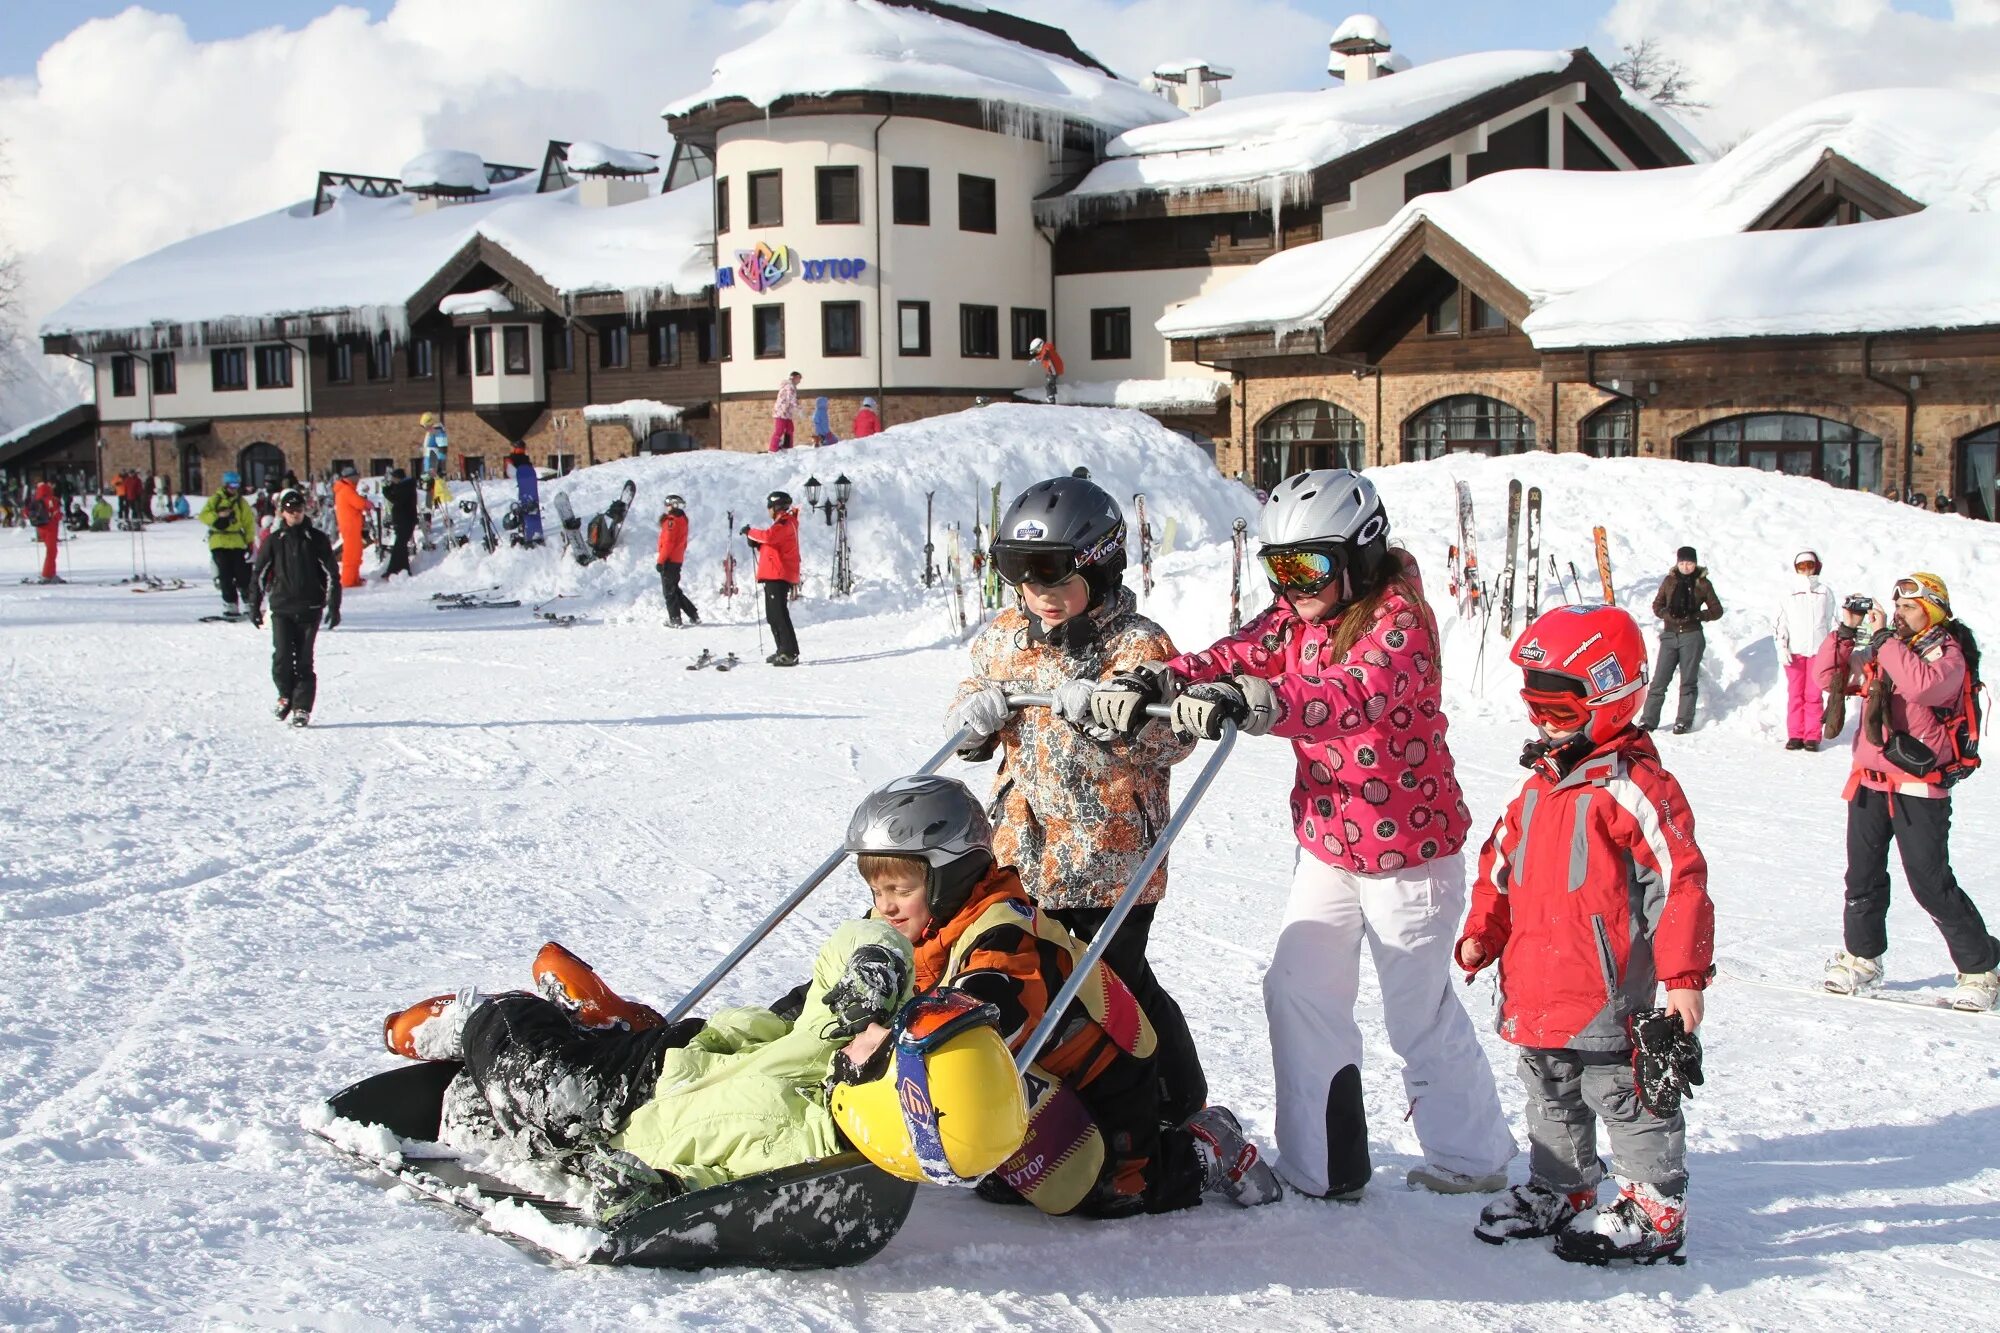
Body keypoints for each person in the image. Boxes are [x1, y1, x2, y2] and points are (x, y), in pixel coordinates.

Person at [1090, 469, 1515, 1202]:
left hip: (1409, 854)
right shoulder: (1299, 613)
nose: (1292, 584)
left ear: (1361, 552)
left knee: (1415, 1010)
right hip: (1329, 839)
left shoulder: (1399, 618)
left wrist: (1265, 701)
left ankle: (1473, 1155)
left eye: (1308, 565)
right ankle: (1323, 1164)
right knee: (1296, 988)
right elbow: (1236, 654)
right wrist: (1160, 680)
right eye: (1279, 567)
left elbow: (1353, 692)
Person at [838, 775, 1280, 1216]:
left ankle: (1212, 1146)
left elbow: (994, 1006)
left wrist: (900, 1029)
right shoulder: (916, 924)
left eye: (900, 890)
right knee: (1022, 1179)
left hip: (1107, 1073)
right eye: (878, 892)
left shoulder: (1002, 936)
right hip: (1039, 1074)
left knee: (1120, 1192)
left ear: (949, 878)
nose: (886, 906)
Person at [1458, 604, 1714, 1265]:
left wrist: (1683, 977)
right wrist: (1484, 932)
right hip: (1538, 984)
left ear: (1609, 696)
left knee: (1623, 1092)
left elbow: (1679, 878)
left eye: (1562, 711)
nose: (1544, 722)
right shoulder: (1536, 789)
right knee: (1548, 1086)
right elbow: (1498, 865)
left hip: (1607, 990)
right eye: (1535, 706)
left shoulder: (1633, 787)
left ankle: (1656, 1204)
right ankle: (1562, 1186)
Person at [947, 476, 1206, 1125]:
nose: (1042, 596)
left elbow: (1172, 735)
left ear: (1100, 566)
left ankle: (1169, 1098)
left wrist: (1112, 713)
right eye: (1025, 579)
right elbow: (969, 697)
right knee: (1038, 982)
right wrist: (973, 719)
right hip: (1021, 853)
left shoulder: (1136, 643)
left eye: (1057, 578)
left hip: (1109, 861)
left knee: (1114, 987)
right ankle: (1047, 1102)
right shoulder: (1008, 634)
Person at [1813, 573, 1999, 1011]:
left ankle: (1981, 966)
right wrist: (1844, 632)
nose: (1899, 614)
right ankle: (1862, 956)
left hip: (1920, 784)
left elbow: (1922, 686)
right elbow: (1828, 678)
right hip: (1870, 780)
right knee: (1862, 878)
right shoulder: (1887, 647)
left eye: (1909, 607)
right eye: (1897, 607)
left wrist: (1882, 640)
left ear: (1932, 610)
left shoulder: (1948, 654)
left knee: (1930, 882)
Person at [248, 488, 341, 727]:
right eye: (290, 511)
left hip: (310, 607)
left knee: (304, 659)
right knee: (280, 656)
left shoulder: (316, 539)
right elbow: (259, 574)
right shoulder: (275, 540)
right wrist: (254, 605)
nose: (295, 514)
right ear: (282, 513)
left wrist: (334, 605)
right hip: (282, 607)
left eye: (299, 510)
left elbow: (332, 574)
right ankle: (285, 695)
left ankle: (302, 707)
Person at [1637, 546, 1723, 735]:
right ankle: (1648, 720)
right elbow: (1657, 605)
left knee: (1688, 681)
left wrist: (1697, 615)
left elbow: (1717, 610)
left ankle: (1683, 721)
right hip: (1669, 635)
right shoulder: (1670, 581)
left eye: (1689, 563)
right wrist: (1668, 614)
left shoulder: (1703, 583)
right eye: (1682, 563)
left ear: (1695, 563)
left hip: (1691, 636)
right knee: (1659, 680)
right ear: (1677, 563)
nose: (1686, 567)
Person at [1774, 550, 1835, 751]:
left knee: (1814, 695)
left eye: (1809, 566)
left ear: (1816, 566)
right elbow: (1780, 622)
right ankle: (1795, 734)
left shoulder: (1825, 592)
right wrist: (1782, 646)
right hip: (1795, 651)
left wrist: (1831, 649)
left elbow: (1830, 621)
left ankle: (1812, 736)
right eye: (1801, 567)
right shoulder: (1788, 592)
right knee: (1795, 694)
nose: (1806, 570)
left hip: (1818, 651)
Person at [744, 490, 801, 665]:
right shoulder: (782, 523)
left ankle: (789, 653)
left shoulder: (785, 522)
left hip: (778, 574)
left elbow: (769, 537)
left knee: (779, 615)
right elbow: (773, 546)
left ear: (775, 507)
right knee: (773, 616)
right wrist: (757, 545)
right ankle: (782, 650)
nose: (767, 510)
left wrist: (750, 532)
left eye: (769, 507)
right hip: (773, 573)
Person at [197, 471, 257, 615]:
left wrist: (249, 541)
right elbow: (203, 516)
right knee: (225, 575)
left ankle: (248, 601)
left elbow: (249, 523)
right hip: (219, 542)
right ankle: (230, 603)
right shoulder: (215, 500)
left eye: (236, 485)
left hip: (237, 542)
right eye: (231, 485)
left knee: (243, 574)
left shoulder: (241, 503)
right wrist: (218, 516)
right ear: (225, 485)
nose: (234, 489)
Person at [656, 495, 701, 628]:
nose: (667, 508)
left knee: (669, 591)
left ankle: (675, 619)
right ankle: (693, 614)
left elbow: (668, 543)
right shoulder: (682, 519)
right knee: (674, 590)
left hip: (669, 559)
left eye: (668, 505)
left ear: (674, 505)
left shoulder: (672, 521)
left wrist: (661, 560)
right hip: (677, 558)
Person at [331, 467, 371, 588]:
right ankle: (348, 580)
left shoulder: (345, 489)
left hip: (351, 525)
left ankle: (354, 578)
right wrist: (366, 503)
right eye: (356, 476)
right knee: (351, 554)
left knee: (356, 552)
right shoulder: (346, 490)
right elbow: (359, 503)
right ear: (350, 477)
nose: (358, 478)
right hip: (350, 526)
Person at [382, 468, 419, 577]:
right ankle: (403, 569)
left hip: (406, 520)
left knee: (399, 546)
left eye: (393, 478)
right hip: (402, 520)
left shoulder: (406, 487)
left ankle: (393, 570)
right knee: (400, 546)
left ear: (398, 478)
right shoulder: (403, 486)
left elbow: (397, 500)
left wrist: (386, 492)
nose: (392, 480)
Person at [505, 443, 543, 544]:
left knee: (527, 507)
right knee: (522, 508)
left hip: (525, 486)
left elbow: (514, 472)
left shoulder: (522, 459)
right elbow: (511, 473)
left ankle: (529, 529)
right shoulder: (516, 459)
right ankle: (525, 529)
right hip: (519, 486)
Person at [27, 480, 61, 582]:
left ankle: (51, 573)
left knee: (50, 551)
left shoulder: (35, 500)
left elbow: (27, 512)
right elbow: (56, 514)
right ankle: (47, 574)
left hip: (41, 527)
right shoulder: (51, 499)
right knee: (52, 552)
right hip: (51, 527)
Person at [770, 371, 802, 452]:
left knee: (790, 428)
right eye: (799, 379)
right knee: (779, 430)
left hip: (786, 412)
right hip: (781, 412)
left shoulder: (791, 386)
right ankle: (773, 448)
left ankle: (788, 447)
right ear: (795, 377)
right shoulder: (790, 386)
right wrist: (799, 409)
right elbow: (791, 399)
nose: (800, 381)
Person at [1029, 336, 1063, 405]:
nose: (1037, 352)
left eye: (1036, 350)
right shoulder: (1045, 350)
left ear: (1039, 346)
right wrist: (1035, 359)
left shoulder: (1046, 349)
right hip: (1052, 370)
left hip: (1053, 370)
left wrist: (1043, 356)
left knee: (1050, 384)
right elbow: (1041, 356)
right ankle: (1051, 397)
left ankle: (1050, 398)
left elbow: (1045, 353)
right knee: (1050, 383)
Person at [421, 412, 449, 479]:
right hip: (429, 465)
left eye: (426, 426)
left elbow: (443, 450)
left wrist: (439, 467)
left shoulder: (438, 432)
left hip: (434, 467)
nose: (425, 428)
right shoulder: (432, 432)